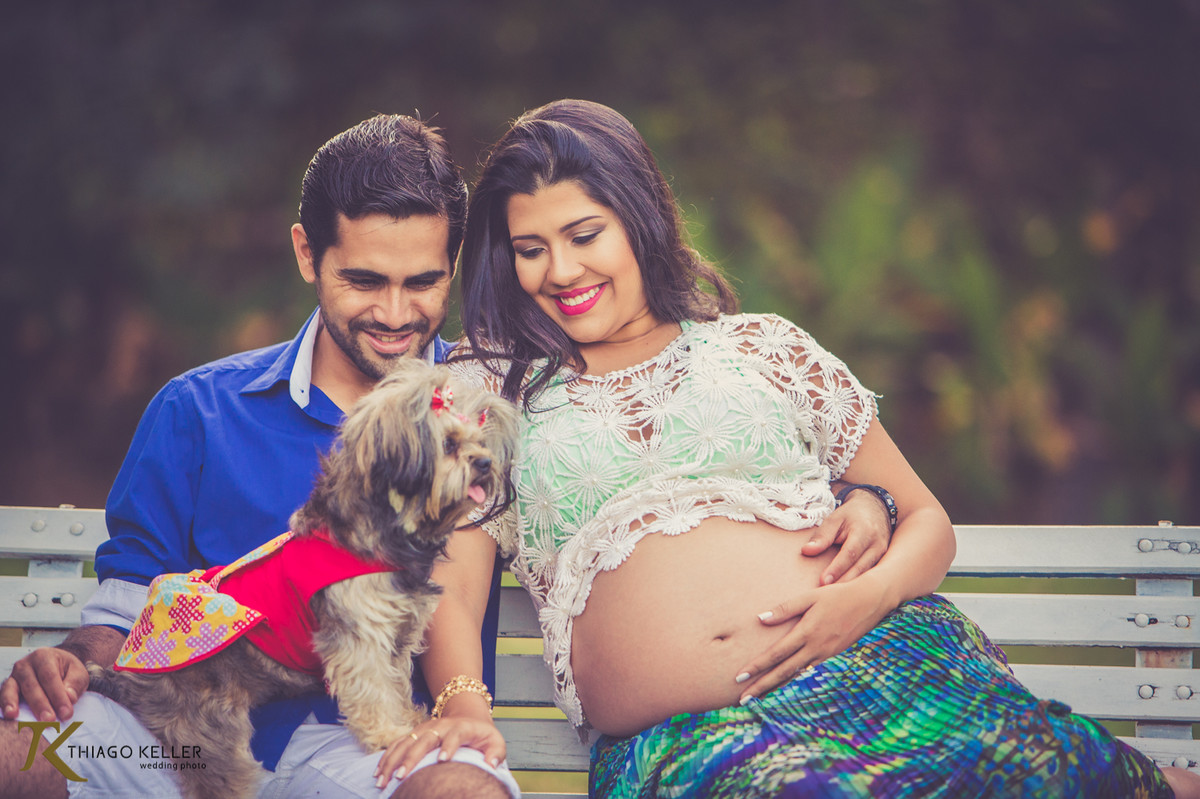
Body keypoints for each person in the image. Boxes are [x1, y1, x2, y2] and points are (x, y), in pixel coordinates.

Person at [379, 99, 1200, 797]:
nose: (561, 269)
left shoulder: (762, 348)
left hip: (881, 667)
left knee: (1055, 773)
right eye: (530, 249)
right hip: (692, 745)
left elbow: (926, 519)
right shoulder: (497, 388)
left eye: (584, 233)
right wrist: (464, 703)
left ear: (637, 217)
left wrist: (863, 599)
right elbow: (458, 572)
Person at [0, 114, 520, 799]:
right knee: (13, 750)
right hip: (181, 734)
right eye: (364, 279)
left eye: (422, 281)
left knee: (460, 792)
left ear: (452, 265)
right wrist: (68, 662)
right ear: (308, 254)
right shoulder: (196, 410)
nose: (396, 314)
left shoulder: (484, 414)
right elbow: (127, 611)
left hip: (372, 746)